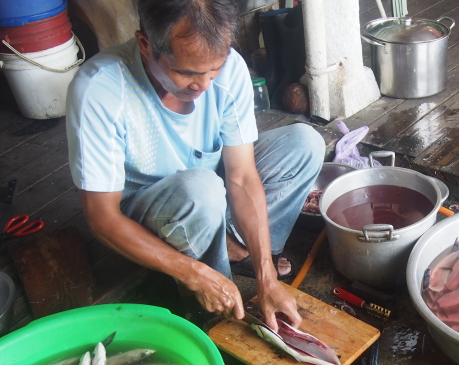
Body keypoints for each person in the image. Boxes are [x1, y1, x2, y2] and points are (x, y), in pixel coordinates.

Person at [66, 0, 324, 330]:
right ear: (146, 45)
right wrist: (191, 272)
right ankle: (206, 284)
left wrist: (267, 276)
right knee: (201, 189)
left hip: (211, 189)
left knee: (304, 142)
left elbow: (242, 176)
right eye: (186, 72)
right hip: (155, 214)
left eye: (213, 69)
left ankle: (235, 248)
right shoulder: (100, 90)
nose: (203, 85)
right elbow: (102, 217)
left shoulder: (230, 69)